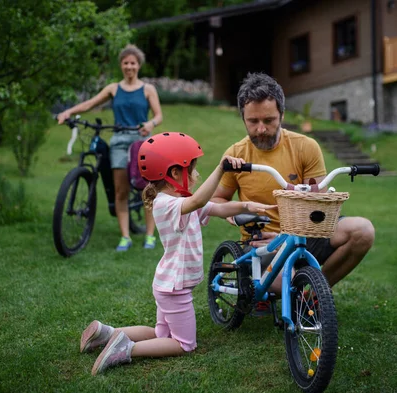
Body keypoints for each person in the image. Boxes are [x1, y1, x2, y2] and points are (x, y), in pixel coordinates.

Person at [79, 132, 276, 375]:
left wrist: (246, 205)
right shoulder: (167, 204)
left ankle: (106, 333)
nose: (196, 175)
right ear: (174, 174)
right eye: (192, 170)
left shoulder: (183, 200)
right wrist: (221, 169)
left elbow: (217, 207)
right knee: (184, 344)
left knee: (161, 334)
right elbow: (199, 202)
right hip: (175, 288)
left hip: (169, 284)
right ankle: (126, 349)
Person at [211, 72, 375, 292]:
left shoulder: (305, 147)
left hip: (306, 235)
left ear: (282, 114)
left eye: (269, 120)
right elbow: (217, 198)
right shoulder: (236, 155)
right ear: (243, 118)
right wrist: (236, 214)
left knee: (363, 230)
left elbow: (319, 206)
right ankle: (301, 289)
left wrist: (285, 236)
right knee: (288, 283)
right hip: (264, 245)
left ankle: (316, 292)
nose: (261, 129)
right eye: (253, 121)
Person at [57, 44, 162, 251]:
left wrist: (151, 124)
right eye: (125, 63)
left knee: (148, 190)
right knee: (120, 191)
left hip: (142, 142)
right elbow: (90, 104)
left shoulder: (148, 89)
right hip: (119, 142)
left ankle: (150, 235)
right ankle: (125, 237)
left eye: (132, 63)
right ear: (121, 65)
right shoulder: (113, 88)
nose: (129, 66)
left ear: (138, 65)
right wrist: (68, 112)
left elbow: (158, 115)